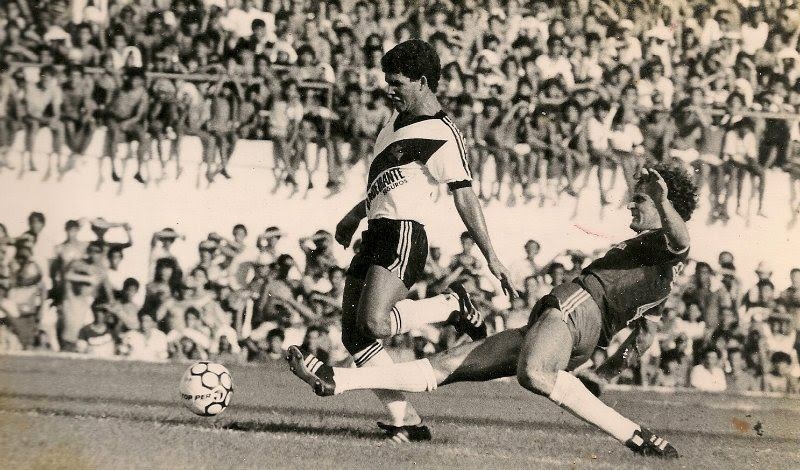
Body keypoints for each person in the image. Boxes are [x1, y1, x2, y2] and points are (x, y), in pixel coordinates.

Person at [289, 165, 697, 458]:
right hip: (570, 326)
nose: (631, 205)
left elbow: (681, 239)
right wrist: (602, 376)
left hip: (573, 313)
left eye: (641, 199)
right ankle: (339, 379)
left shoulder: (665, 241)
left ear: (666, 206)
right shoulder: (663, 269)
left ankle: (632, 433)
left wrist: (663, 203)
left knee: (535, 374)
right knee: (448, 366)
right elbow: (646, 334)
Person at [315, 39, 516, 442]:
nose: (389, 90)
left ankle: (451, 305)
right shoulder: (392, 123)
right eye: (387, 82)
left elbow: (464, 196)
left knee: (374, 322)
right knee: (355, 335)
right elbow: (385, 184)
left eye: (397, 83)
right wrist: (354, 216)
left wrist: (491, 256)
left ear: (423, 82)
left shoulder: (442, 132)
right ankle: (404, 420)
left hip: (403, 233)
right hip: (376, 231)